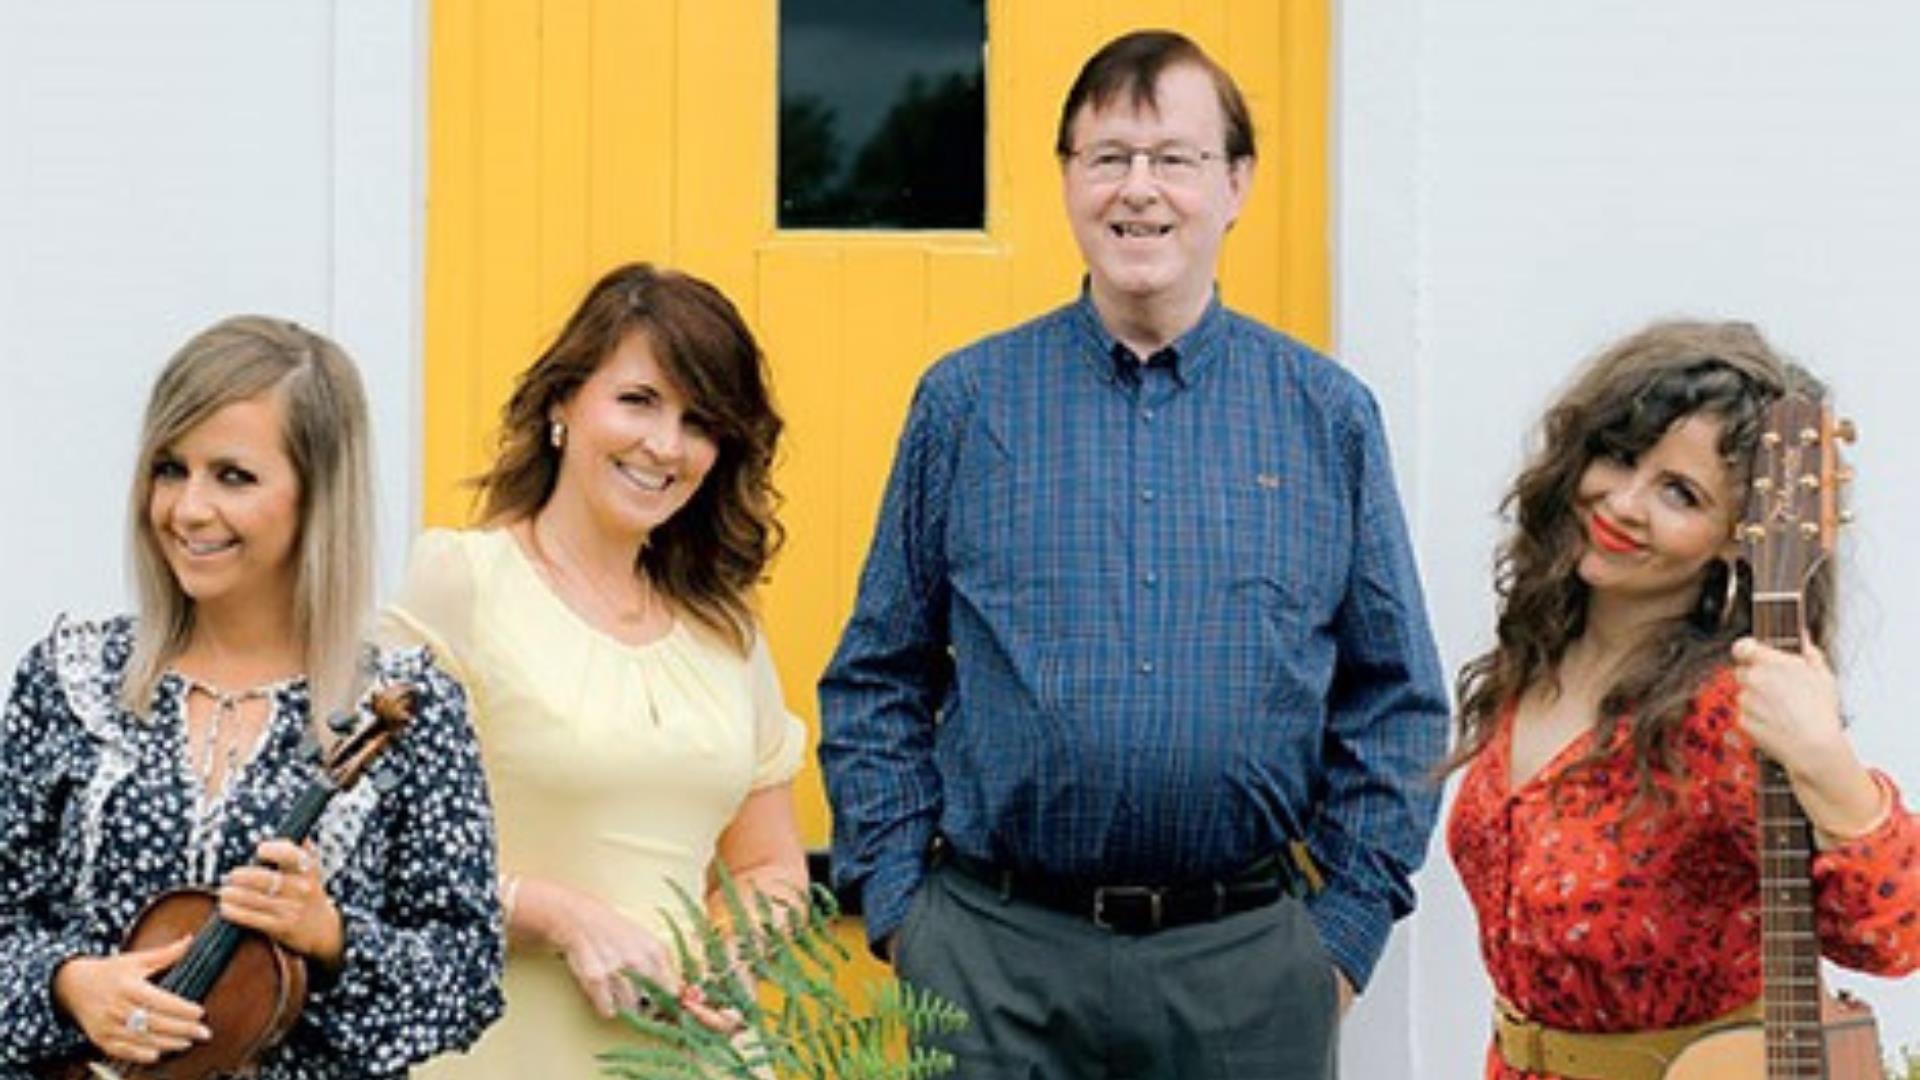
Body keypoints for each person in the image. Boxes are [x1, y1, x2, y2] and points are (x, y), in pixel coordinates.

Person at [818, 28, 1450, 1079]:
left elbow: (1398, 701)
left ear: (1237, 182)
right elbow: (878, 675)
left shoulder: (1325, 416)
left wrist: (1339, 936)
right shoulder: (967, 404)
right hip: (995, 966)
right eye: (1108, 156)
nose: (1139, 189)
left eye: (1176, 158)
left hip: (1248, 970)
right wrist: (902, 913)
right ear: (1068, 179)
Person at [0, 316, 502, 1077]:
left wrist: (331, 937)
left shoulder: (406, 709)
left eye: (233, 476)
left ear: (317, 495)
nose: (188, 509)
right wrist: (69, 986)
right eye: (170, 468)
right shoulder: (72, 678)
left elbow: (466, 977)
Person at [1445, 321, 1920, 1080]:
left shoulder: (1725, 716)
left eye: (1680, 493)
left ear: (1741, 536)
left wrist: (1827, 764)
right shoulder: (1541, 652)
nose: (1623, 503)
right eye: (1621, 456)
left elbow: (1897, 933)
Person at [382, 262, 809, 1078]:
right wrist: (561, 917)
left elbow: (769, 865)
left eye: (698, 421)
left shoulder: (729, 631)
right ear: (562, 403)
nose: (664, 446)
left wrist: (724, 953)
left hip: (697, 1060)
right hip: (502, 1052)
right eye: (638, 401)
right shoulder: (461, 582)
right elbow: (373, 849)